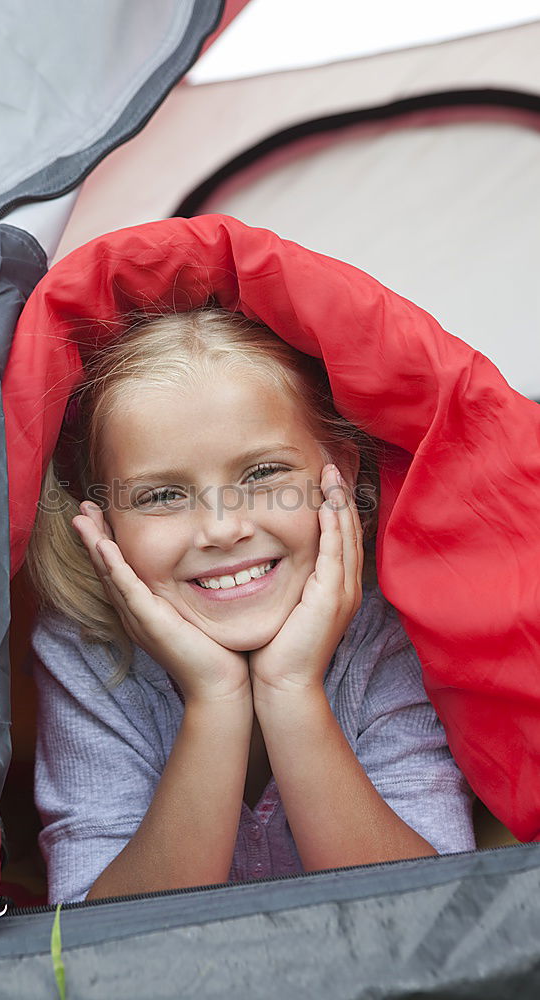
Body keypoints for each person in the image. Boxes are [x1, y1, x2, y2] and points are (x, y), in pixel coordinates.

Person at [26, 299, 476, 906]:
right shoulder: (85, 653)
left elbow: (439, 919)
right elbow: (91, 950)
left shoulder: (390, 628)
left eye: (263, 474)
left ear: (339, 472)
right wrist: (216, 700)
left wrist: (292, 688)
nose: (221, 528)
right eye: (161, 494)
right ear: (100, 521)